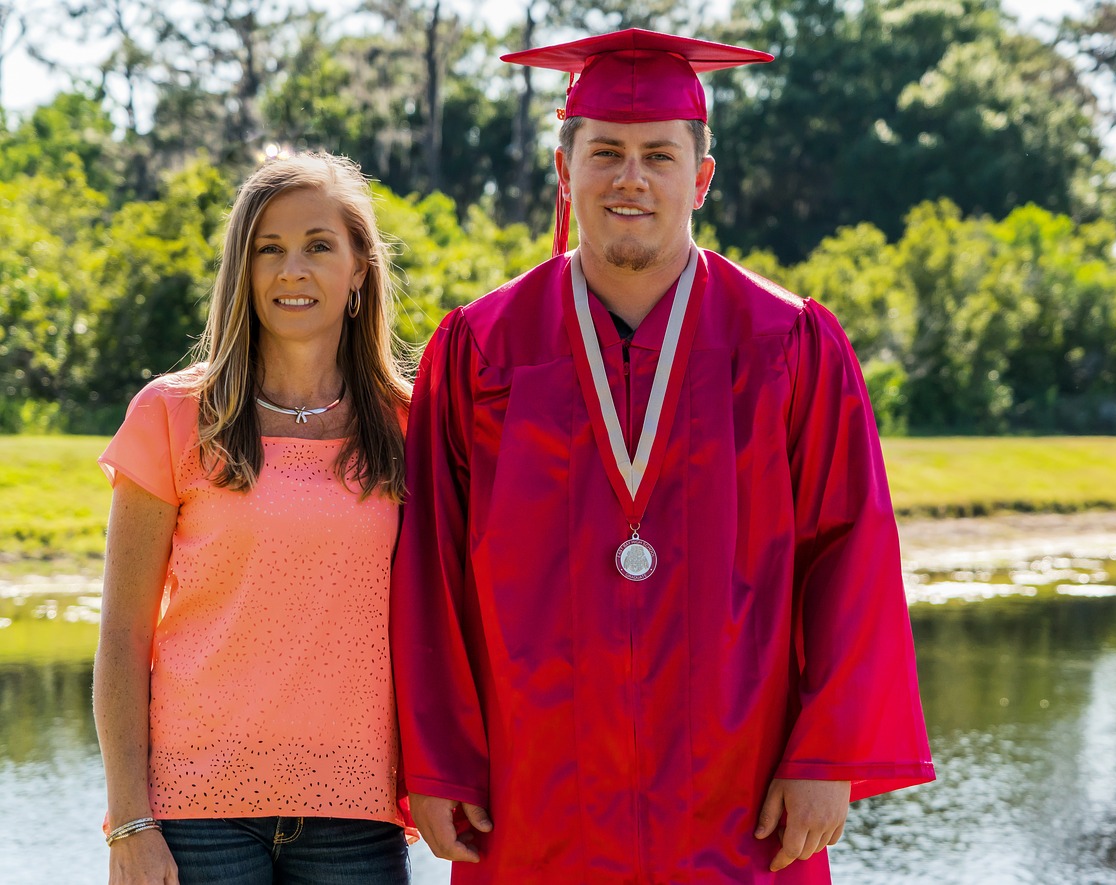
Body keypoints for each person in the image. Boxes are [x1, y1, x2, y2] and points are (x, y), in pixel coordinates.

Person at [390, 28, 935, 883]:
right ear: (566, 173)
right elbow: (429, 568)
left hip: (738, 791)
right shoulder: (482, 349)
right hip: (537, 795)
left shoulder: (786, 342)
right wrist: (440, 765)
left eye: (658, 154)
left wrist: (827, 755)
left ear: (702, 177)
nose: (631, 177)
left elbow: (851, 550)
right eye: (604, 152)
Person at [94, 151, 414, 885]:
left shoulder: (408, 425)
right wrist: (130, 821)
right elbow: (121, 638)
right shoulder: (173, 414)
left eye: (318, 245)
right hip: (194, 813)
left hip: (355, 814)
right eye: (269, 249)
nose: (291, 270)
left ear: (360, 267)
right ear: (243, 268)